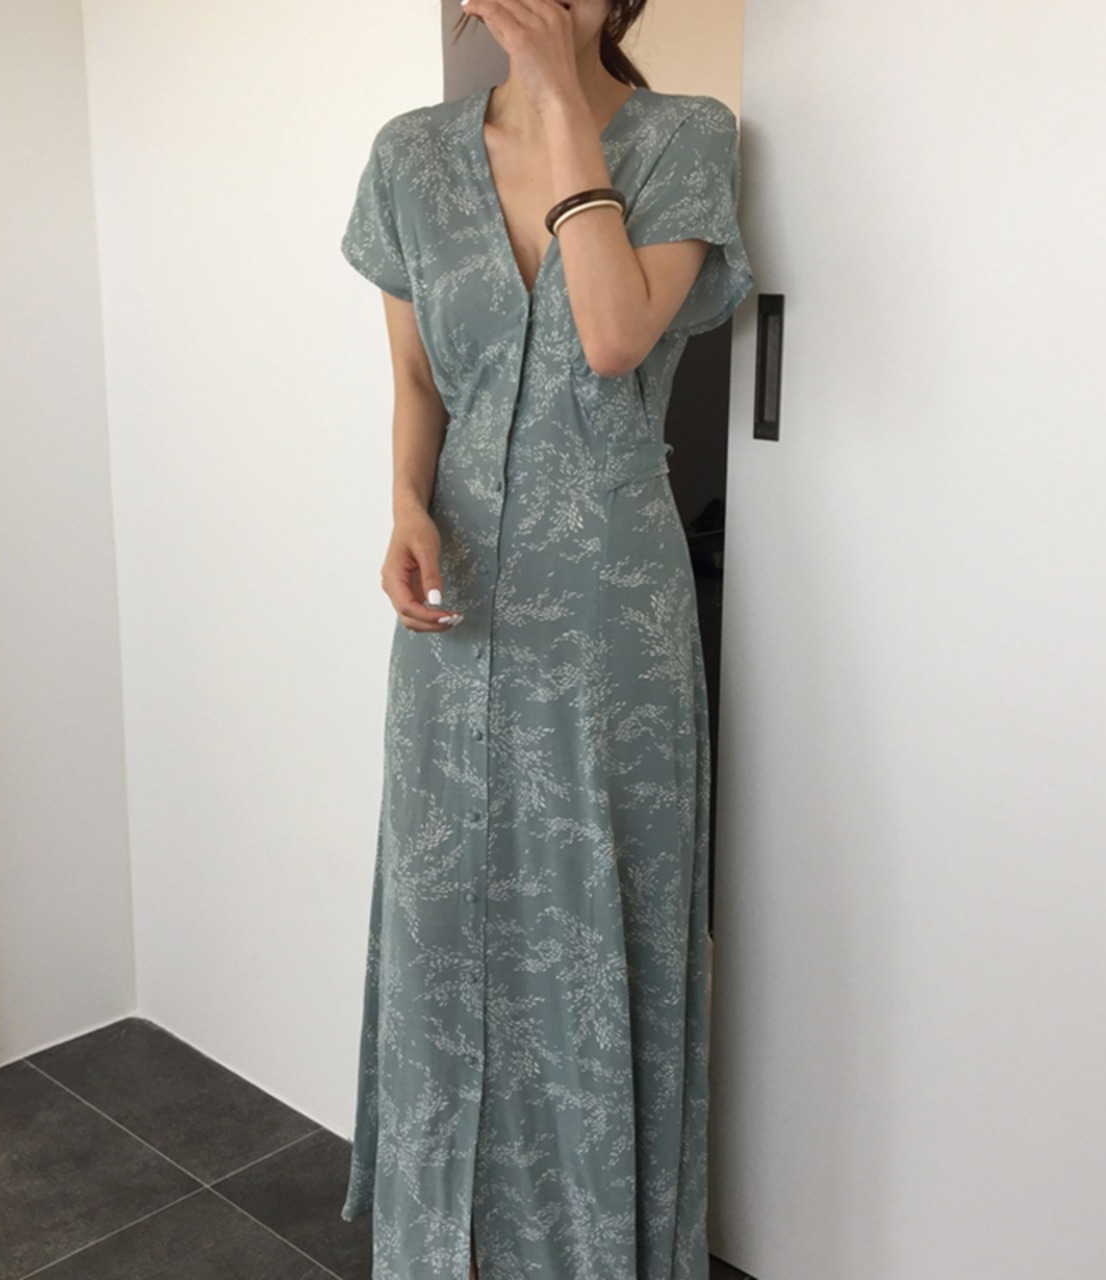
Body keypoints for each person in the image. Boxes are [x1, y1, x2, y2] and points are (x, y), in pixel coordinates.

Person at [337, 1, 754, 1276]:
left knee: (588, 916)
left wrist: (556, 88)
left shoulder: (685, 137)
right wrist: (405, 503)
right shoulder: (408, 156)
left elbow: (613, 334)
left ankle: (590, 1244)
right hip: (454, 596)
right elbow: (418, 379)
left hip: (607, 612)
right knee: (444, 910)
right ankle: (443, 1243)